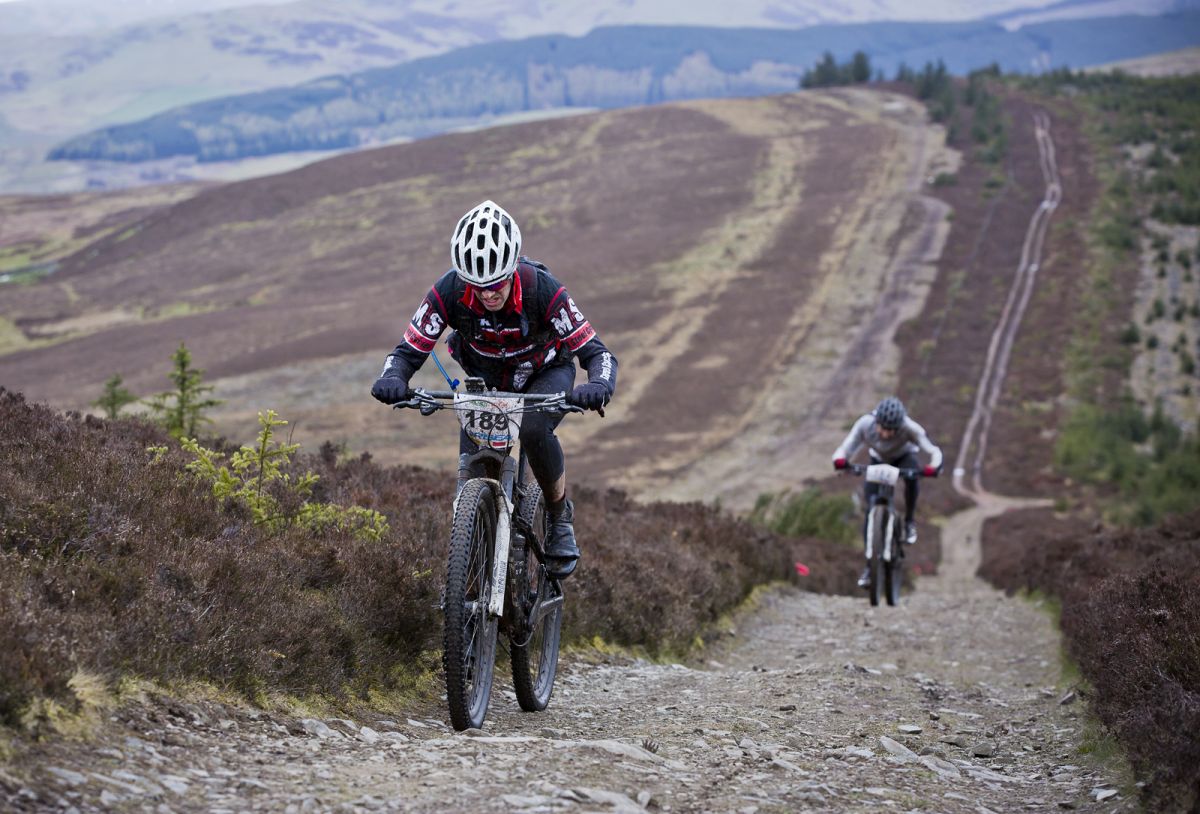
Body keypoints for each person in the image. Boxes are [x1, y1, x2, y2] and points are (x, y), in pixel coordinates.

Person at [371, 200, 617, 578]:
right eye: (477, 286)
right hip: (484, 377)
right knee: (474, 464)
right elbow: (407, 350)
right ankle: (468, 570)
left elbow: (597, 353)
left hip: (544, 373)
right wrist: (393, 379)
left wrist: (598, 384)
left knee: (535, 430)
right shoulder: (448, 291)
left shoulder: (543, 290)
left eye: (497, 283)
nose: (487, 294)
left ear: (511, 269)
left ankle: (557, 516)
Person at [831, 396, 942, 588]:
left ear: (900, 426)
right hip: (878, 460)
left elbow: (933, 451)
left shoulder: (910, 428)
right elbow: (845, 448)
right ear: (876, 422)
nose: (887, 434)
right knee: (869, 508)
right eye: (883, 428)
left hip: (904, 457)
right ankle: (869, 566)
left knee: (912, 479)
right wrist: (840, 461)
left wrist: (933, 467)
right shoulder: (864, 424)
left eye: (893, 430)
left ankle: (908, 523)